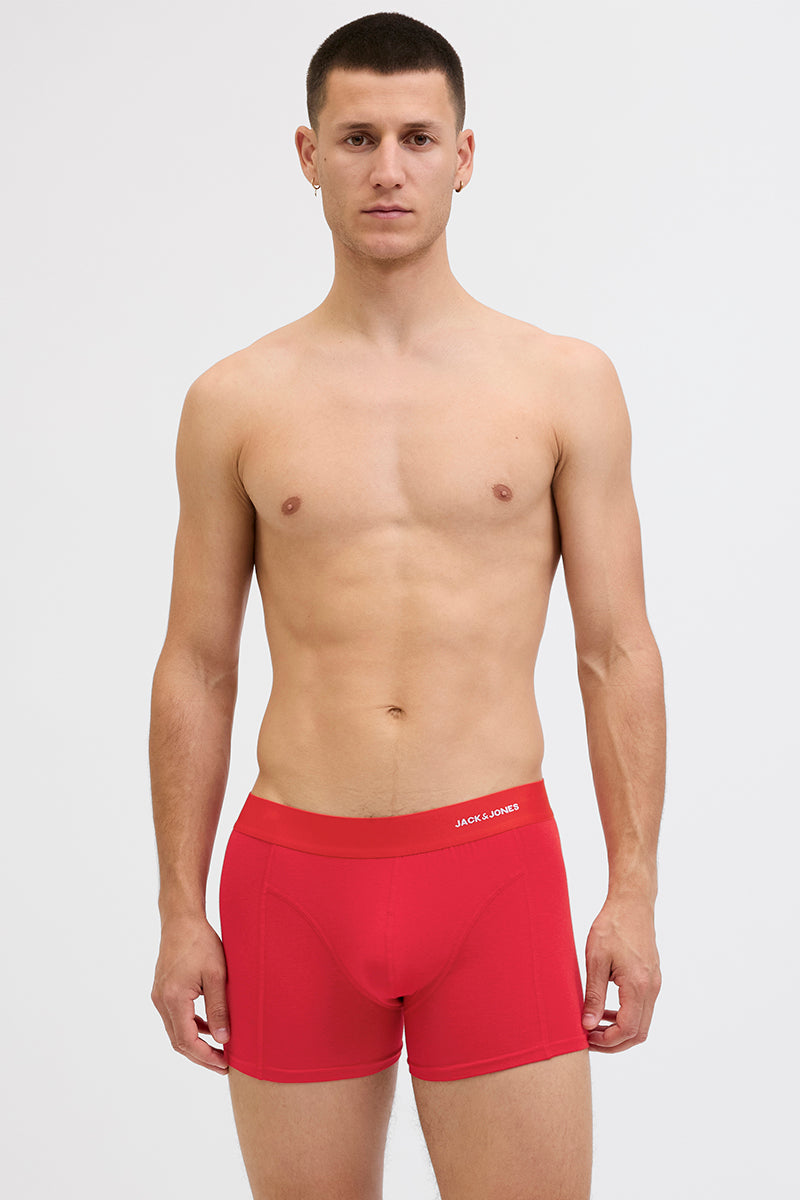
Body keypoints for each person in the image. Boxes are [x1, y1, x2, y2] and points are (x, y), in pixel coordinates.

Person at [149, 11, 665, 1199]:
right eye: (358, 138)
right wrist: (179, 909)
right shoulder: (234, 401)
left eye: (417, 138)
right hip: (291, 880)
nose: (388, 168)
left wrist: (632, 893)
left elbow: (614, 651)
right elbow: (196, 665)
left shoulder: (561, 385)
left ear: (462, 156)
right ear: (308, 154)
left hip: (492, 870)